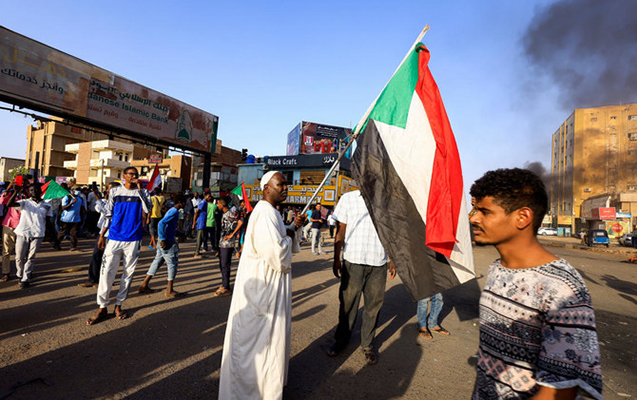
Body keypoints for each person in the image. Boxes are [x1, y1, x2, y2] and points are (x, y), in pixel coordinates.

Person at [469, 168, 602, 400]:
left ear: (522, 217)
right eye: (474, 209)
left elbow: (559, 392)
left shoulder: (562, 288)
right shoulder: (497, 269)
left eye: (484, 211)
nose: (473, 218)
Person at [219, 171, 306, 400]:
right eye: (280, 184)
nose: (285, 188)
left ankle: (267, 390)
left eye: (286, 184)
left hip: (271, 288)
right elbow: (277, 255)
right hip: (262, 291)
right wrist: (291, 232)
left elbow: (280, 238)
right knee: (255, 346)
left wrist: (293, 227)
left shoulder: (272, 212)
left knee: (269, 343)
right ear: (266, 188)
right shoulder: (264, 213)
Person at [326, 190, 394, 365]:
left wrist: (393, 259)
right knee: (348, 305)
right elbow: (340, 230)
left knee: (373, 307)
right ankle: (341, 341)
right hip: (353, 261)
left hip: (378, 262)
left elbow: (390, 232)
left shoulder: (386, 200)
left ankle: (367, 345)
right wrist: (336, 258)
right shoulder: (348, 199)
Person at [86, 167, 151, 325]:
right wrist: (102, 235)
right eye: (131, 174)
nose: (134, 176)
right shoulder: (115, 191)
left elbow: (148, 209)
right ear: (124, 176)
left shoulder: (143, 192)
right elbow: (108, 214)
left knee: (128, 274)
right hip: (114, 237)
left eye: (136, 175)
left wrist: (141, 190)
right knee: (106, 272)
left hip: (133, 239)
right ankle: (102, 307)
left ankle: (119, 305)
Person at [137, 194, 187, 298]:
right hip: (168, 241)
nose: (185, 204)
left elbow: (169, 226)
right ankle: (169, 290)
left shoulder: (172, 210)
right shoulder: (174, 211)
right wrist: (163, 238)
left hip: (164, 240)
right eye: (184, 202)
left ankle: (144, 284)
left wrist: (179, 233)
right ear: (180, 202)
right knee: (172, 264)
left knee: (157, 262)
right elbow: (161, 223)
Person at [8, 183, 52, 289]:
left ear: (40, 191)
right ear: (29, 192)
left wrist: (50, 235)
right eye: (31, 190)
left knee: (31, 257)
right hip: (23, 232)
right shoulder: (25, 202)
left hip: (38, 234)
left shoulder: (47, 205)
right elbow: (9, 204)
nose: (34, 192)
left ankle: (25, 278)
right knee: (19, 257)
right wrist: (15, 192)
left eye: (36, 189)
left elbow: (48, 220)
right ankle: (20, 274)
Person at [77, 182, 118, 288]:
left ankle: (107, 280)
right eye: (107, 189)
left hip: (112, 234)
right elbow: (99, 208)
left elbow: (109, 217)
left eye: (109, 189)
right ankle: (93, 279)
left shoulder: (119, 203)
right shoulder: (105, 201)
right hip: (102, 233)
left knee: (109, 258)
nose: (107, 191)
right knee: (96, 256)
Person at [0, 181, 25, 281]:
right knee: (6, 250)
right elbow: (2, 201)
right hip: (9, 225)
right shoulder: (10, 193)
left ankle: (22, 272)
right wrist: (9, 189)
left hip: (23, 225)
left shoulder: (27, 194)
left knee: (22, 251)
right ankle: (6, 272)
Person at [214, 198, 238, 296]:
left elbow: (239, 222)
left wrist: (232, 235)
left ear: (222, 204)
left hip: (228, 244)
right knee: (222, 265)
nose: (217, 206)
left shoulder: (229, 214)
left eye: (218, 204)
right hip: (222, 243)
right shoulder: (224, 214)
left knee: (225, 265)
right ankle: (224, 284)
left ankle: (226, 287)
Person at [55, 186, 84, 251]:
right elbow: (63, 208)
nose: (78, 191)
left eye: (79, 190)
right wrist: (72, 203)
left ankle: (73, 246)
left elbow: (82, 208)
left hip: (76, 219)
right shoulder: (67, 197)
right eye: (77, 189)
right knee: (62, 233)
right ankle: (56, 244)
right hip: (66, 219)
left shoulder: (80, 198)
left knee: (74, 234)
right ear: (72, 190)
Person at [192, 190, 212, 258]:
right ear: (205, 196)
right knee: (199, 238)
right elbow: (197, 212)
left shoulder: (205, 203)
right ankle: (196, 252)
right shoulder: (202, 203)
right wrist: (194, 222)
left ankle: (198, 251)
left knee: (202, 238)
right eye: (209, 196)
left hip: (203, 222)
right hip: (200, 223)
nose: (209, 198)